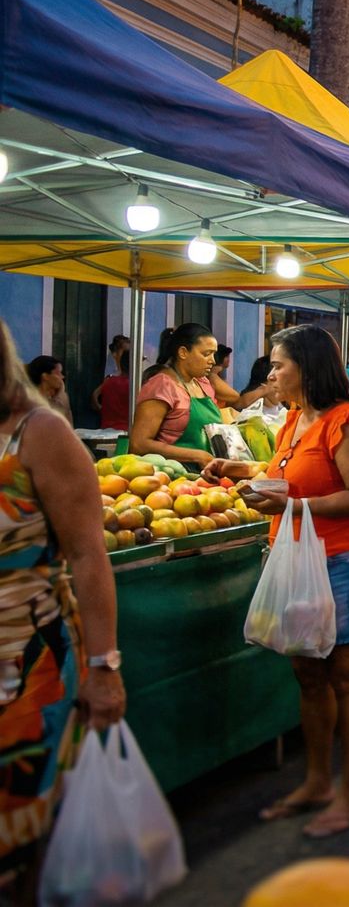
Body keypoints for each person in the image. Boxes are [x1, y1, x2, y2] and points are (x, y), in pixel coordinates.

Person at [211, 325, 349, 837]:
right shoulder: (293, 422)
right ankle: (316, 782)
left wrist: (292, 505)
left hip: (348, 560)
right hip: (296, 558)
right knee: (308, 674)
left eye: (279, 364)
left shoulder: (346, 421)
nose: (271, 373)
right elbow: (286, 475)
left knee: (347, 676)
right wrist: (239, 468)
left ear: (307, 368)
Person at [0, 321, 125, 882]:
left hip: (28, 666)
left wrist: (103, 666)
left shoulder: (39, 433)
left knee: (26, 837)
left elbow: (88, 557)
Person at [131, 323, 255, 465]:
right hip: (172, 477)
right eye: (206, 354)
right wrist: (195, 456)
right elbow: (138, 444)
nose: (212, 361)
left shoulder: (203, 384)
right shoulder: (162, 386)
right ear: (183, 352)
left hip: (205, 477)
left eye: (213, 354)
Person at [94, 347, 133, 431]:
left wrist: (101, 409)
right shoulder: (134, 386)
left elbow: (94, 396)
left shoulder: (108, 382)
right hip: (126, 432)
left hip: (106, 429)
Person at [25, 356, 70, 424]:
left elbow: (69, 426)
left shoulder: (62, 397)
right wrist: (59, 398)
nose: (62, 377)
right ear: (45, 376)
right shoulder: (30, 400)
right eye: (58, 373)